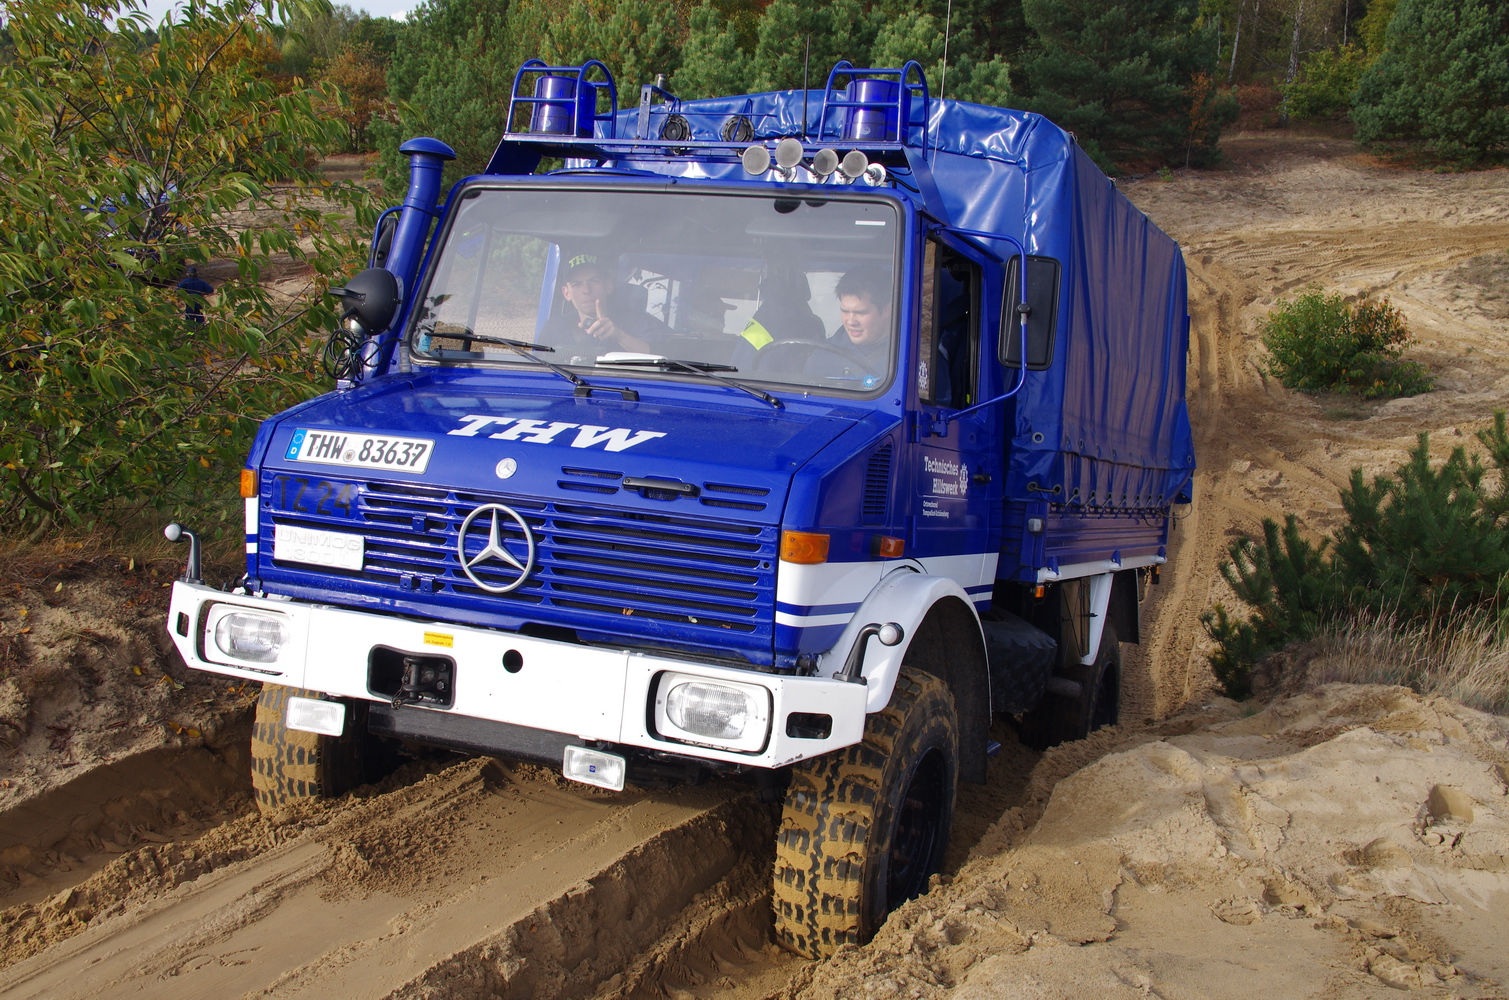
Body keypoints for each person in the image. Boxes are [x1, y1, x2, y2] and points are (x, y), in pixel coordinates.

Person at [540, 254, 668, 357]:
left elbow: (658, 361)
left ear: (608, 286)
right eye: (577, 284)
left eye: (594, 281)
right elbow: (540, 372)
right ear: (566, 293)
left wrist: (618, 335)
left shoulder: (640, 323)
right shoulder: (554, 328)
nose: (586, 290)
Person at [804, 264, 894, 382]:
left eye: (861, 313)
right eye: (845, 311)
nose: (851, 321)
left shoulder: (905, 357)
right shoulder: (821, 357)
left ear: (886, 310)